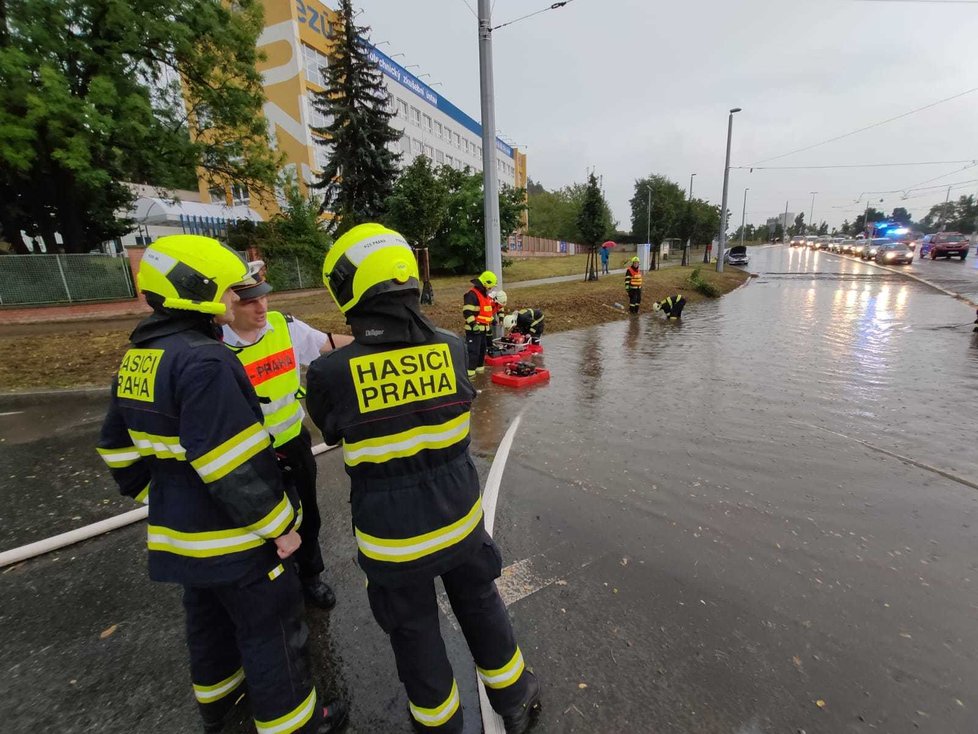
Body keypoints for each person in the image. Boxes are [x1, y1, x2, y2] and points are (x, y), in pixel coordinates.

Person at [96, 235, 346, 734]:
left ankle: (222, 708)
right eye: (230, 290)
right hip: (234, 534)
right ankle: (296, 724)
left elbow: (117, 449)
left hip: (183, 534)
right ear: (199, 290)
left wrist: (164, 499)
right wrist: (281, 529)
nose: (237, 298)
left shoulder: (139, 358)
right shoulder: (207, 361)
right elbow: (232, 466)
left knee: (207, 624)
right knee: (270, 628)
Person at [306, 224, 542, 734]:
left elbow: (327, 426)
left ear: (349, 288)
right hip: (460, 518)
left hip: (394, 541)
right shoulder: (454, 347)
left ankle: (439, 726)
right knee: (481, 605)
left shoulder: (330, 374)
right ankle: (517, 698)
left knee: (415, 634)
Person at [223, 262, 354, 610]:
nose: (261, 306)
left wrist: (380, 341)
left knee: (308, 516)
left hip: (293, 443)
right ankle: (271, 584)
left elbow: (326, 343)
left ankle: (310, 577)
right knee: (260, 523)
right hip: (249, 456)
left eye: (263, 297)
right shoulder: (214, 347)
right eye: (248, 301)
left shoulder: (285, 326)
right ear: (227, 304)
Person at [462, 270, 500, 377]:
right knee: (473, 351)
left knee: (482, 350)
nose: (491, 289)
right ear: (485, 283)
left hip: (483, 330)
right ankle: (470, 374)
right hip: (473, 329)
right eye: (491, 286)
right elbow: (467, 312)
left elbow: (486, 312)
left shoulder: (485, 296)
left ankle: (479, 372)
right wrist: (473, 325)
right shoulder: (472, 295)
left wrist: (492, 320)